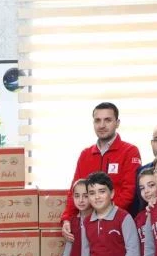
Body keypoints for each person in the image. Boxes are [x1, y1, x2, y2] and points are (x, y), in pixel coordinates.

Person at [60, 102, 141, 241]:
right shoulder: (85, 154)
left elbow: (129, 192)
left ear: (117, 123)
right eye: (97, 120)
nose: (102, 125)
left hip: (117, 225)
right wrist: (67, 218)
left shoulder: (130, 151)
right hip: (88, 226)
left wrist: (102, 215)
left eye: (107, 120)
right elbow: (75, 191)